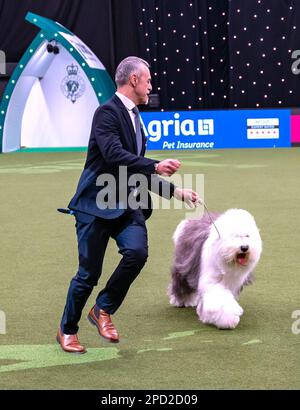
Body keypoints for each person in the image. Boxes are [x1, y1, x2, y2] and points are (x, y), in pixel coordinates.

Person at [57, 56, 200, 353]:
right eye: (147, 79)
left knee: (136, 253)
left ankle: (103, 308)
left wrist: (176, 192)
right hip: (95, 205)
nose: (150, 85)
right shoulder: (106, 113)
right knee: (88, 275)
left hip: (127, 205)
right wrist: (156, 165)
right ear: (133, 80)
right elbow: (113, 155)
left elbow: (135, 170)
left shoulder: (136, 118)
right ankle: (67, 330)